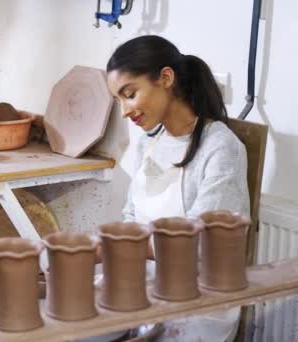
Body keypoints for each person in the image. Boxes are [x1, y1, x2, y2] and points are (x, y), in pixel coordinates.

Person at [106, 35, 249, 341]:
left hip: (198, 302)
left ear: (166, 78)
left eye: (129, 94)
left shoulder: (221, 149)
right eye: (118, 99)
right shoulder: (148, 142)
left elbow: (197, 245)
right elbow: (132, 215)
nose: (124, 111)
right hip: (147, 285)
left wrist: (106, 249)